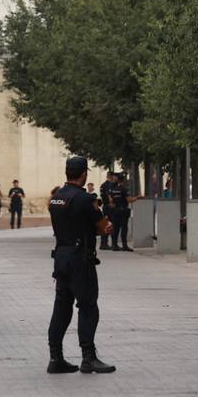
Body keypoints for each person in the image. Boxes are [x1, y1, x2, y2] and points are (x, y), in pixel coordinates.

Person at [46, 156, 116, 375]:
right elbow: (103, 227)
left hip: (61, 256)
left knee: (62, 307)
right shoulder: (86, 199)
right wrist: (104, 226)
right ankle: (88, 357)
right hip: (80, 259)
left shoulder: (56, 199)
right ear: (84, 174)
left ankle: (55, 358)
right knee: (87, 306)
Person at [111, 172, 132, 252]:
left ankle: (114, 245)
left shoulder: (114, 189)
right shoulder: (124, 189)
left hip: (115, 210)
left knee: (115, 228)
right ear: (123, 180)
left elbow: (111, 201)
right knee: (124, 228)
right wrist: (137, 198)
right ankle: (124, 245)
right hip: (123, 211)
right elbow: (129, 200)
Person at [99, 172, 118, 250]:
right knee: (111, 225)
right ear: (111, 176)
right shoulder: (110, 185)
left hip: (105, 206)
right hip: (110, 207)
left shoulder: (103, 185)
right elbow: (109, 195)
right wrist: (112, 203)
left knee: (105, 224)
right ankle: (112, 244)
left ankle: (103, 243)